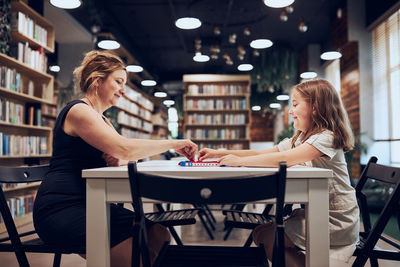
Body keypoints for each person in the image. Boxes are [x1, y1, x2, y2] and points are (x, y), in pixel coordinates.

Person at [33, 50, 197, 266]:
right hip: (61, 208)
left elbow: (123, 154)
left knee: (159, 233)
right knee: (138, 254)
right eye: (119, 82)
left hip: (90, 203)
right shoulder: (78, 111)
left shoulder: (103, 120)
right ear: (97, 81)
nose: (123, 90)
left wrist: (121, 158)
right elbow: (124, 149)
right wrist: (174, 143)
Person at [199, 78, 359, 267]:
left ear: (315, 107)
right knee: (260, 233)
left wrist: (240, 162)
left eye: (295, 104)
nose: (290, 111)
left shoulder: (326, 137)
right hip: (316, 212)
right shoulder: (300, 137)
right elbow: (262, 153)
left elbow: (285, 159)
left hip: (334, 220)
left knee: (267, 236)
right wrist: (221, 153)